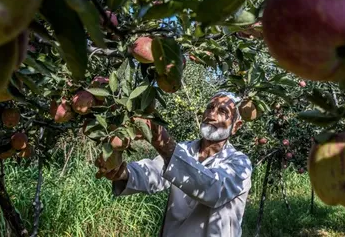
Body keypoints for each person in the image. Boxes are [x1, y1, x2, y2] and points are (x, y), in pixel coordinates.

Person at [94, 91, 253, 237]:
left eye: (222, 111)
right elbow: (154, 171)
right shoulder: (184, 149)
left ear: (235, 127)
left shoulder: (240, 163)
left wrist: (164, 143)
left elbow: (213, 189)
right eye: (210, 108)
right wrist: (123, 173)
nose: (212, 114)